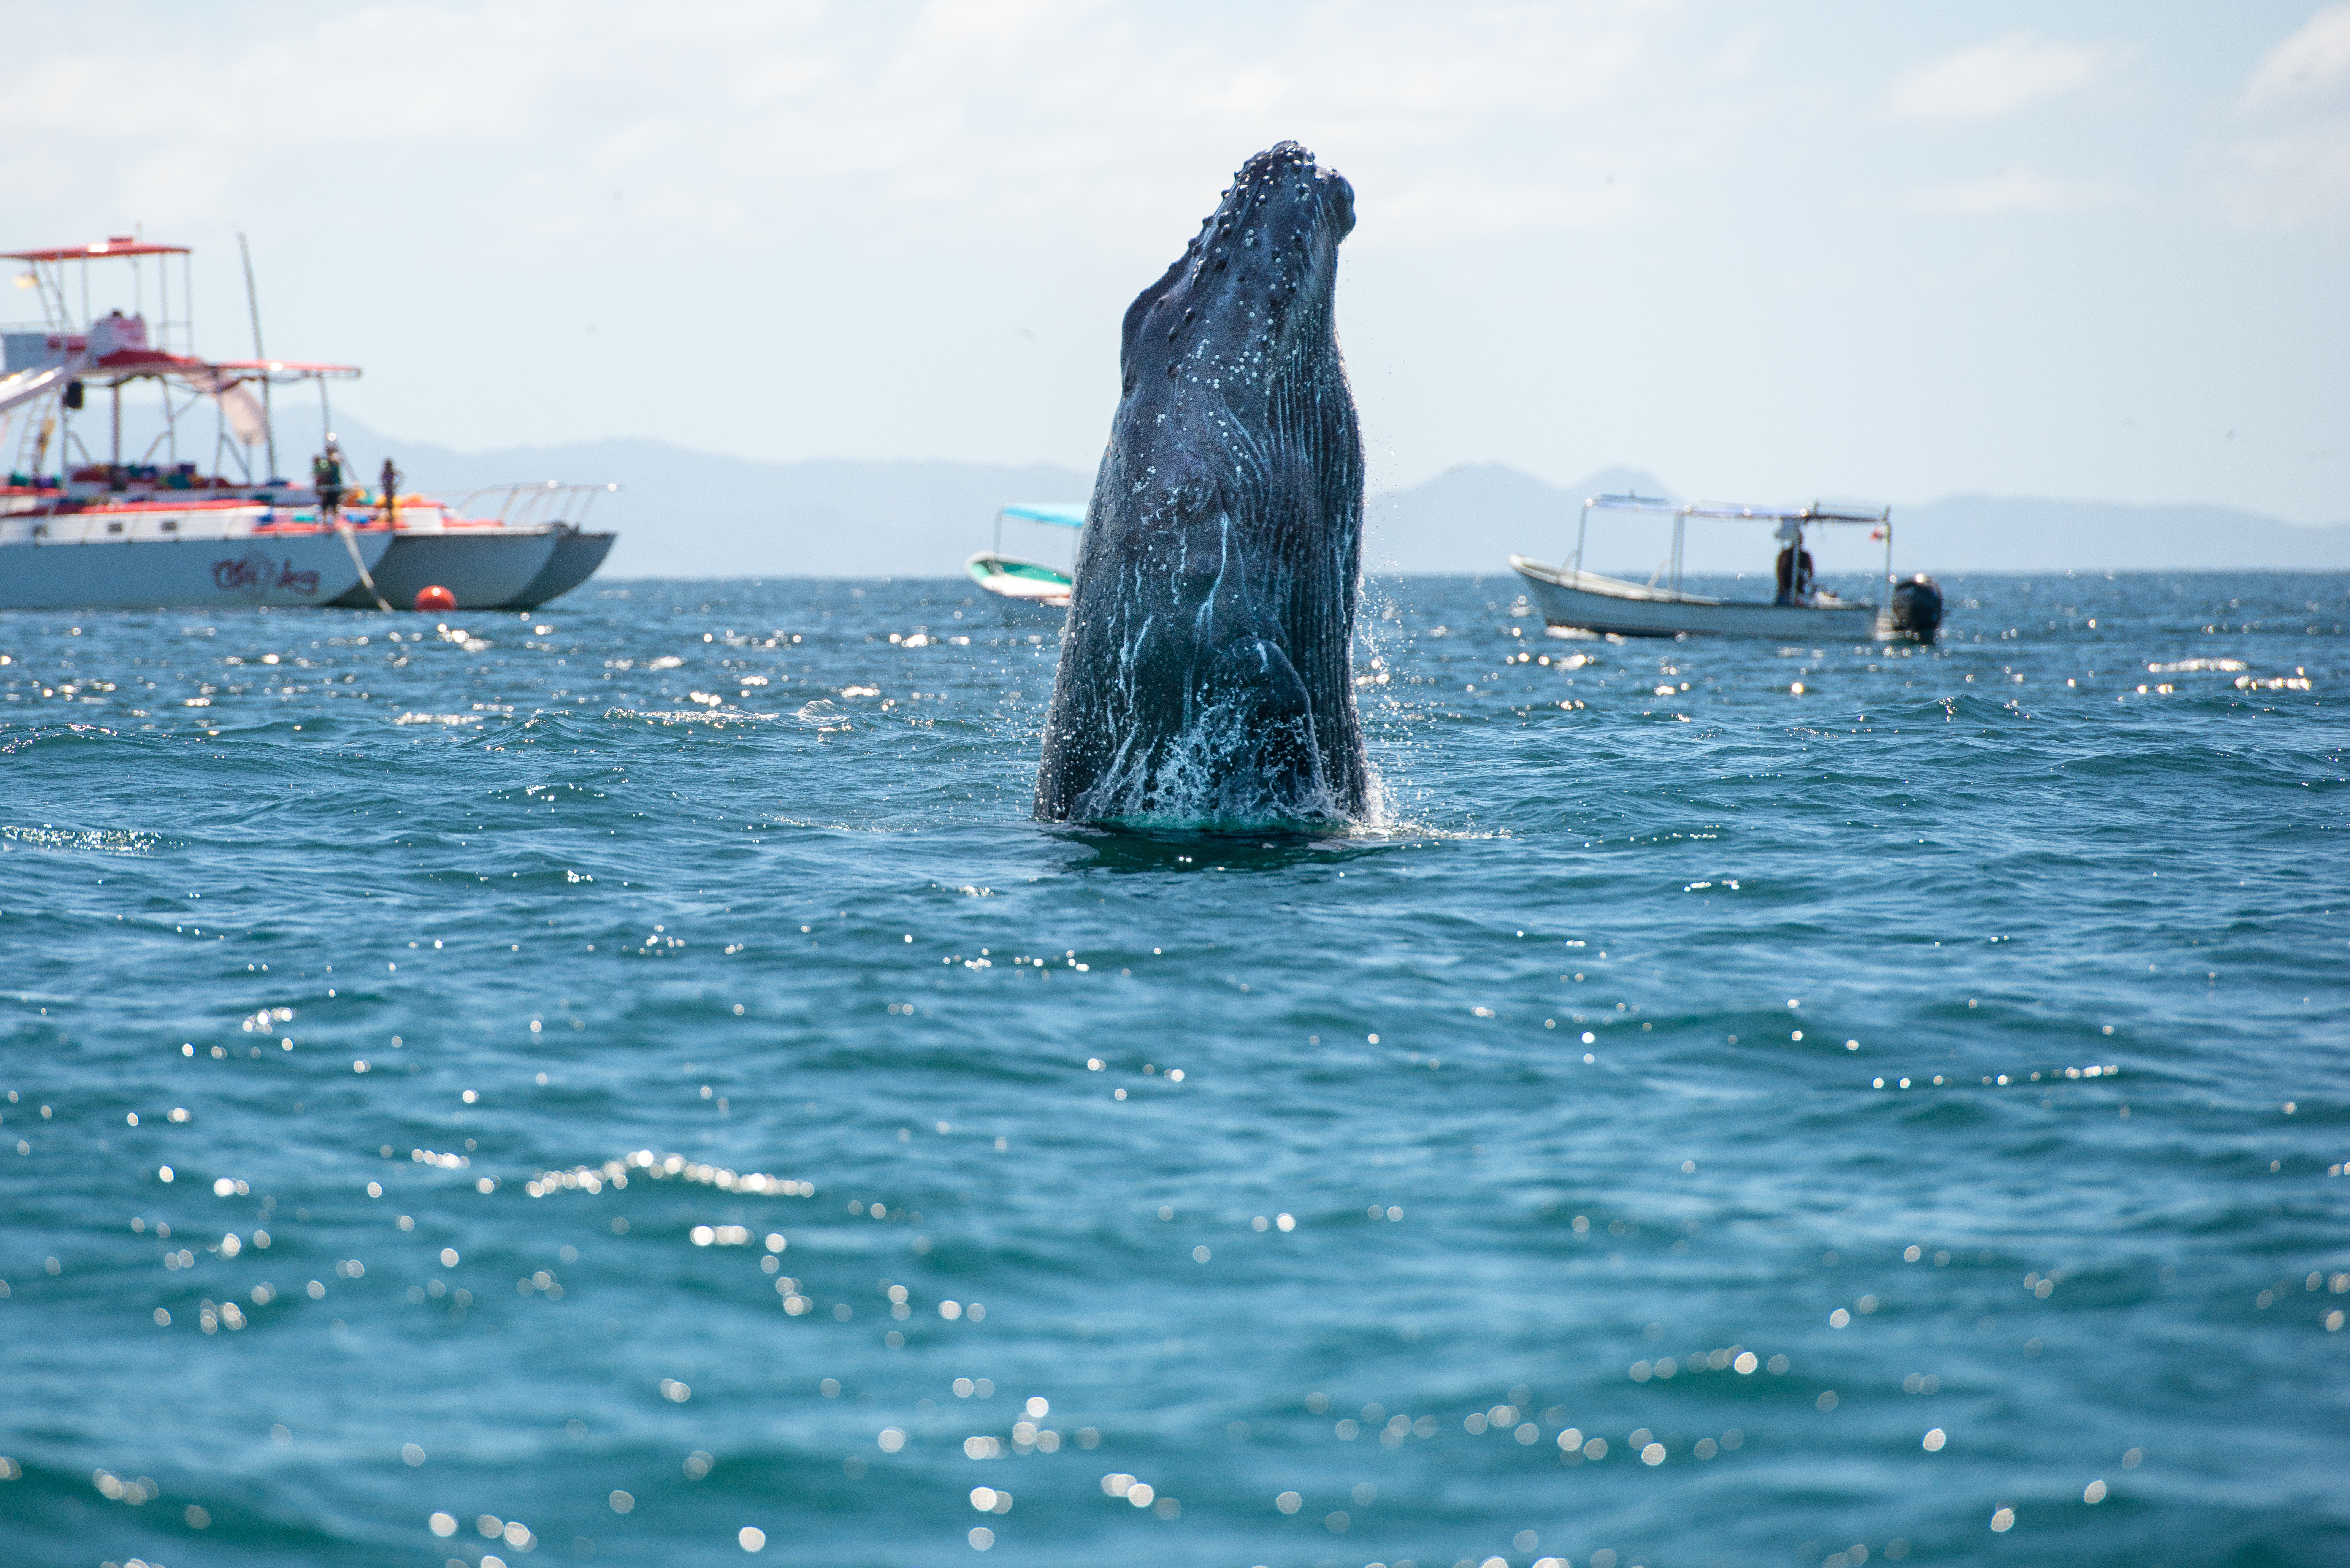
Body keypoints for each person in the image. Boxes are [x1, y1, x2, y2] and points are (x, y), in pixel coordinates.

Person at [1774, 520, 1814, 606]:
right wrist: (1782, 586)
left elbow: (1811, 573)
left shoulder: (1806, 555)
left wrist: (1805, 581)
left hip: (1800, 590)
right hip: (1786, 589)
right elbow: (1780, 571)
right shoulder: (1786, 554)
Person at [312, 438, 345, 517]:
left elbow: (337, 460)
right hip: (326, 487)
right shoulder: (324, 462)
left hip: (335, 486)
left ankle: (334, 523)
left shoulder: (335, 459)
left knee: (334, 505)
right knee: (325, 505)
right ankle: (325, 522)